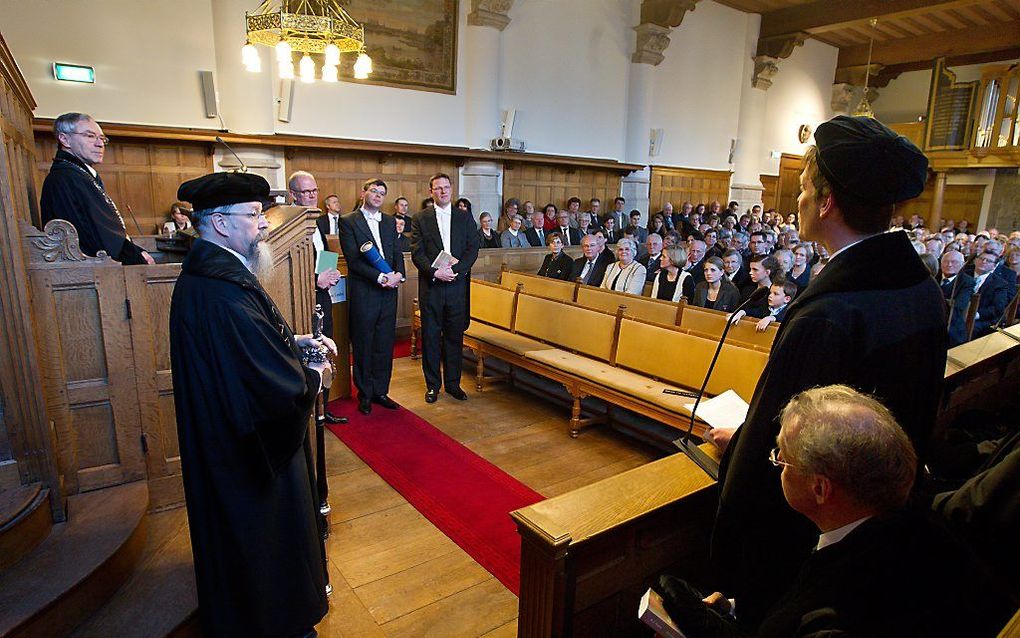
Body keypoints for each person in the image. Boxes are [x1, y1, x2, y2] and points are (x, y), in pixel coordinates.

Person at [710, 116, 947, 628]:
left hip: (806, 542)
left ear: (826, 202)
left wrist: (749, 451)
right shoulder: (921, 289)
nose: (794, 202)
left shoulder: (828, 315)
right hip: (883, 520)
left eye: (801, 189)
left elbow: (787, 440)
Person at [658, 385, 1014, 638]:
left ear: (820, 488)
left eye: (781, 458)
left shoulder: (835, 614)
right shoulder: (920, 525)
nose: (778, 465)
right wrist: (737, 614)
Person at [170, 172, 330, 638]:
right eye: (254, 215)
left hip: (229, 442)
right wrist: (313, 376)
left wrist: (294, 342)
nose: (262, 225)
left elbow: (252, 344)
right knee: (268, 550)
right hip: (246, 457)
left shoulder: (218, 275)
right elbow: (265, 385)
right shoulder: (218, 290)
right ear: (219, 223)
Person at [40, 112, 154, 265]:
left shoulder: (81, 175)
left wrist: (136, 251)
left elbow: (106, 230)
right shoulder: (65, 179)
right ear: (65, 139)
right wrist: (135, 257)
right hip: (92, 273)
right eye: (90, 136)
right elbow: (91, 238)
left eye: (102, 138)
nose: (100, 144)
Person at [338, 178, 405, 416]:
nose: (378, 195)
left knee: (385, 344)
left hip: (389, 292)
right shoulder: (348, 221)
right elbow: (353, 260)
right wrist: (380, 278)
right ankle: (364, 394)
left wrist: (399, 276)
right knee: (364, 343)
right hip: (366, 291)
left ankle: (381, 391)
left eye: (382, 193)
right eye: (374, 191)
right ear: (363, 193)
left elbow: (397, 253)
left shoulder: (389, 221)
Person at [411, 173, 479, 403]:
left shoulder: (464, 217)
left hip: (457, 287)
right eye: (438, 188)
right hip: (432, 287)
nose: (443, 191)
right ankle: (432, 386)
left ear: (452, 189)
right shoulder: (421, 218)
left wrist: (458, 270)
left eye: (446, 187)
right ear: (431, 191)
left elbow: (473, 248)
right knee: (430, 337)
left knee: (454, 337)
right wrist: (435, 272)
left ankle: (453, 384)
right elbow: (417, 253)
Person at [291, 171, 343, 384]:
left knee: (324, 349)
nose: (312, 196)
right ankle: (312, 412)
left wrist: (330, 274)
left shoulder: (318, 221)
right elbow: (289, 269)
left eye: (314, 190)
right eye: (306, 191)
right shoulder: (290, 225)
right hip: (302, 300)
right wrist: (315, 280)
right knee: (308, 354)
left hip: (323, 298)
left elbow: (323, 254)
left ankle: (325, 407)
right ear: (293, 194)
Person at [940, 249, 976, 347]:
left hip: (951, 324)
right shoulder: (934, 277)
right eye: (946, 261)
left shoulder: (967, 282)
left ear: (962, 264)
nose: (949, 264)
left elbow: (959, 305)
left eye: (954, 262)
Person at [972, 250, 1012, 337]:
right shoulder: (963, 276)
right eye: (981, 258)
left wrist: (976, 314)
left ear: (994, 266)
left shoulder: (1000, 283)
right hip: (960, 315)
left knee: (969, 327)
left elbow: (997, 308)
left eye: (989, 261)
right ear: (975, 260)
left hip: (983, 319)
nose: (984, 262)